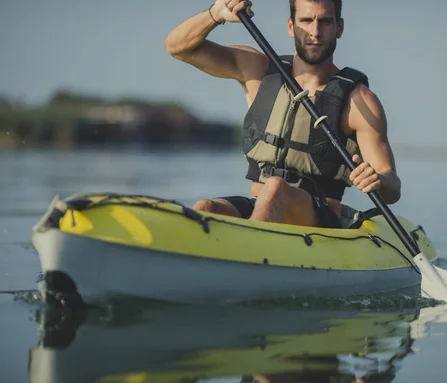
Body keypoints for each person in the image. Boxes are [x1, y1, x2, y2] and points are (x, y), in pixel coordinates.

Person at [164, 0, 401, 228]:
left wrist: (378, 180)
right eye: (306, 20)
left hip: (320, 219)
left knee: (276, 188)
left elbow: (392, 188)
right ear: (291, 26)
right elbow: (177, 47)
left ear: (339, 27)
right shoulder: (257, 70)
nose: (315, 32)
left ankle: (250, 257)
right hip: (259, 206)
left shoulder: (359, 101)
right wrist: (214, 14)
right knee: (206, 207)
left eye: (325, 22)